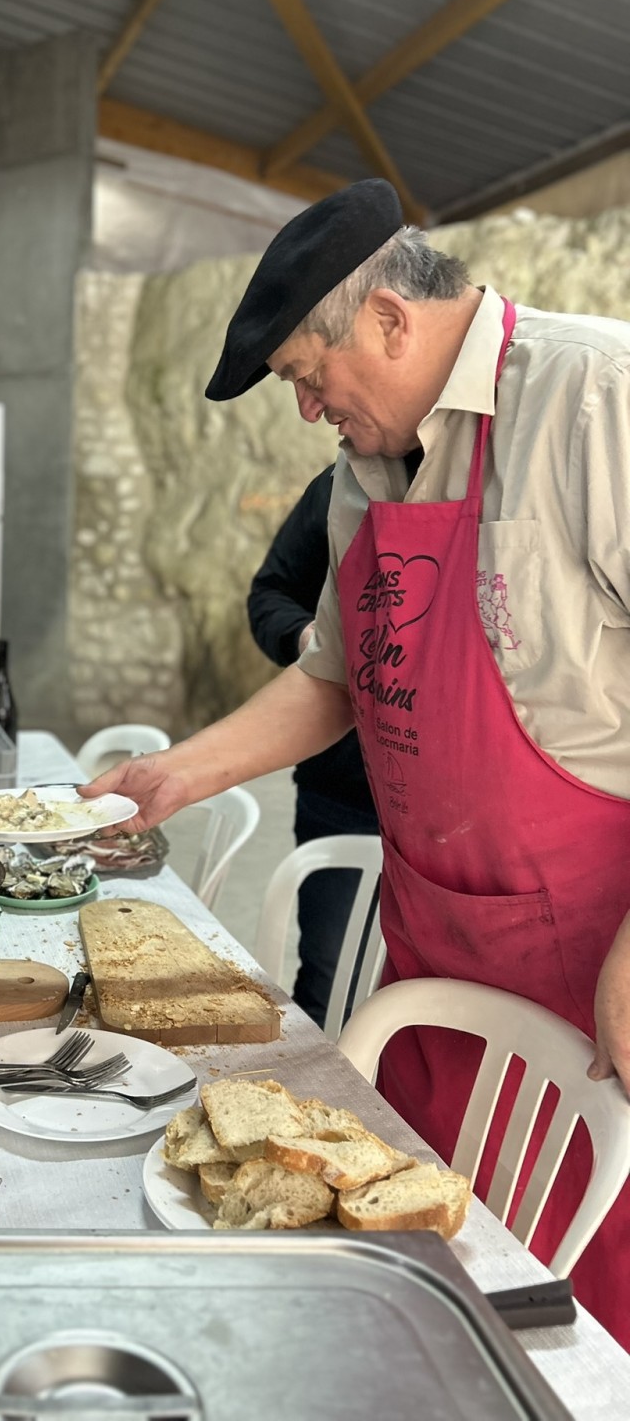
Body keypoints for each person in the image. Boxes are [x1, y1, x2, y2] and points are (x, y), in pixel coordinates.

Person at [83, 178, 630, 1346]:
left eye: (303, 377)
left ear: (388, 317)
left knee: (574, 1325)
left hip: (597, 967)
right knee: (421, 1283)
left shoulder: (595, 395)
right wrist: (179, 773)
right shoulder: (366, 471)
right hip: (438, 960)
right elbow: (335, 671)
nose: (304, 411)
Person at [247, 465, 379, 1029]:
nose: (312, 408)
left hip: (467, 821)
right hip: (342, 797)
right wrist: (311, 640)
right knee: (329, 988)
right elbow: (269, 595)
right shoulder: (338, 487)